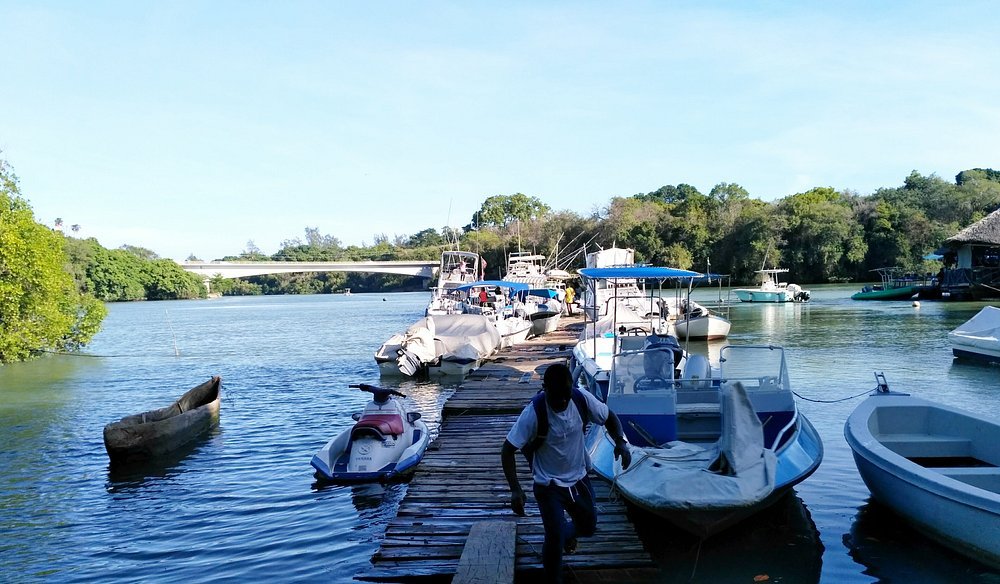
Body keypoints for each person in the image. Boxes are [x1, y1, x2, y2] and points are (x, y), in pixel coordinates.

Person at [501, 363, 631, 583]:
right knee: (554, 536)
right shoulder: (533, 413)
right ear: (545, 389)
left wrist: (621, 442)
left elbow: (609, 416)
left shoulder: (581, 399)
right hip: (548, 484)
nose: (562, 401)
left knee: (588, 527)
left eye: (566, 395)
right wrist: (515, 489)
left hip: (579, 478)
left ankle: (566, 535)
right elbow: (507, 450)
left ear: (572, 388)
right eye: (556, 396)